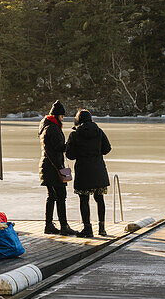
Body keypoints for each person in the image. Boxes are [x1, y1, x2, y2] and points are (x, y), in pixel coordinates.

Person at [65, 109, 113, 238]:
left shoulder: (74, 135)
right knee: (99, 198)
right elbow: (107, 148)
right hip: (98, 170)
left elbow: (70, 155)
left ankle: (87, 229)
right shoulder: (99, 131)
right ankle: (102, 228)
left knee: (84, 200)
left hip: (83, 171)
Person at [39, 101, 77, 236]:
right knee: (61, 196)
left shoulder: (45, 126)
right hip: (54, 168)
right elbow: (59, 147)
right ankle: (64, 226)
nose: (63, 119)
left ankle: (48, 225)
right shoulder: (53, 128)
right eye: (62, 116)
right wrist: (71, 143)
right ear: (57, 115)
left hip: (47, 167)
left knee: (51, 196)